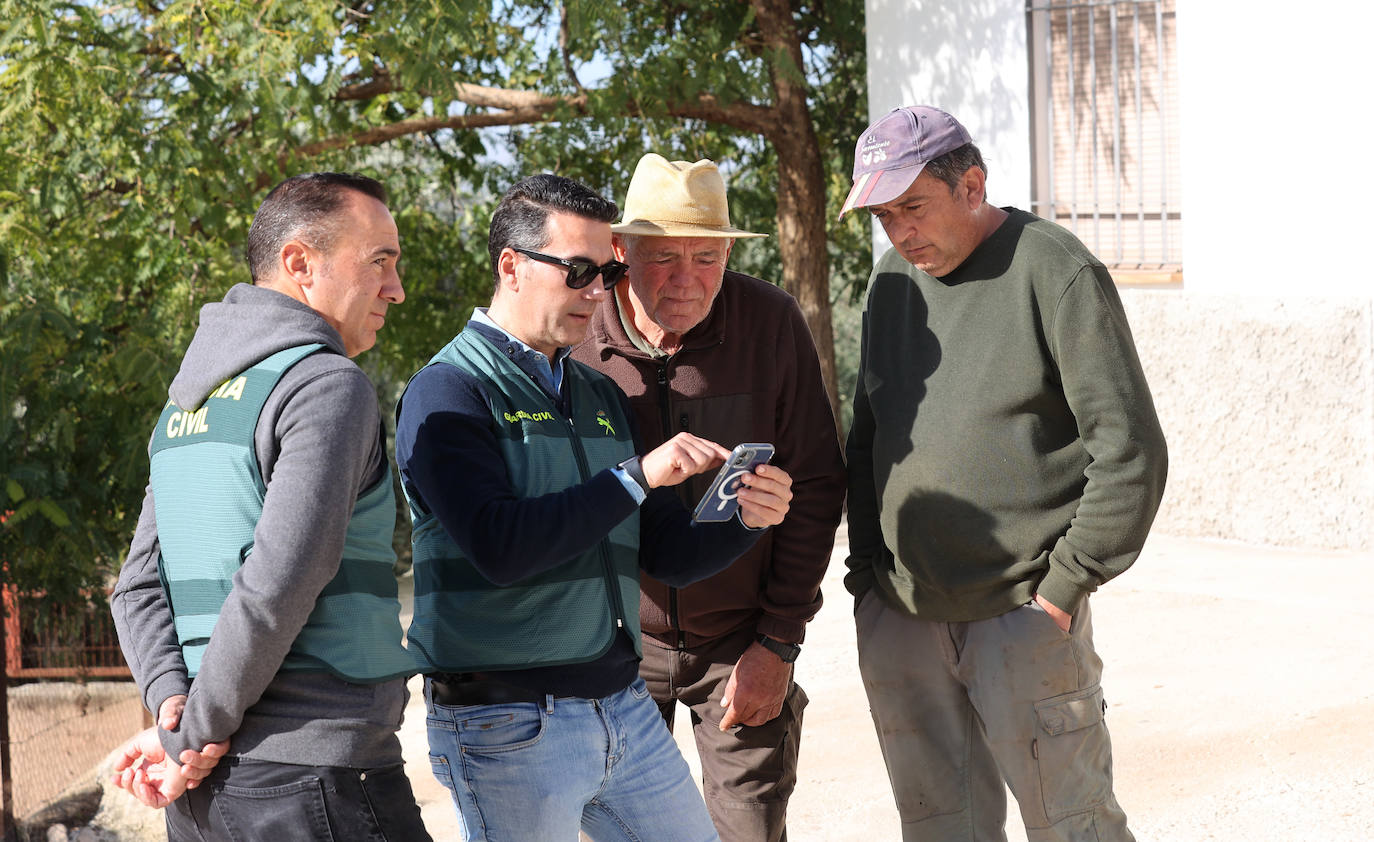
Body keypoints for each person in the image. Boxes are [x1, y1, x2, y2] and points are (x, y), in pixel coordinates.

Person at [395, 172, 795, 842]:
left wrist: (744, 520)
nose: (596, 292)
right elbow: (500, 548)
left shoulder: (597, 393)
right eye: (577, 270)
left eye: (605, 273)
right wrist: (638, 475)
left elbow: (663, 551)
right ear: (511, 266)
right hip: (506, 723)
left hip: (622, 705)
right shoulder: (447, 392)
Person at [840, 105, 1168, 841]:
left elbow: (1130, 450)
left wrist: (1064, 588)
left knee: (1073, 826)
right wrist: (868, 580)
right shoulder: (891, 282)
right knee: (940, 829)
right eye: (884, 216)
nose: (900, 233)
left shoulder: (1054, 268)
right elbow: (869, 443)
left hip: (1022, 614)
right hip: (903, 618)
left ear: (972, 185)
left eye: (913, 208)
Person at [109, 172, 431, 841]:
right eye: (379, 262)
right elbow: (278, 584)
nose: (396, 289)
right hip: (317, 782)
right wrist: (190, 735)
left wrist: (175, 715)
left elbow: (136, 586)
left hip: (206, 795)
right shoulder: (326, 386)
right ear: (299, 264)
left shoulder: (184, 407)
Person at [570, 152, 846, 841]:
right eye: (664, 258)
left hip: (738, 642)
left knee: (749, 831)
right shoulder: (574, 335)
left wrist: (779, 642)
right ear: (619, 251)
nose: (688, 280)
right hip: (609, 648)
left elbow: (814, 483)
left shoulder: (772, 322)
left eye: (707, 256)